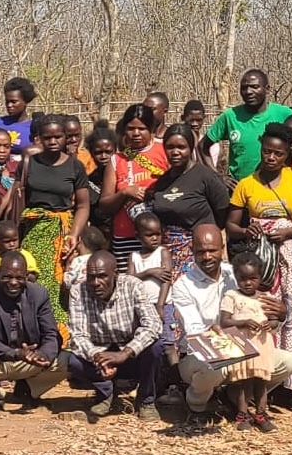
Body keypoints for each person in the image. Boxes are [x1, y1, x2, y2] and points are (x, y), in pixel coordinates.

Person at [226, 123, 292, 389]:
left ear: (286, 154)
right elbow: (231, 227)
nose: (271, 157)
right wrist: (247, 229)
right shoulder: (246, 184)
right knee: (263, 307)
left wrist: (289, 231)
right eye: (267, 151)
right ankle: (262, 375)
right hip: (261, 259)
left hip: (290, 255)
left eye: (277, 153)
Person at [168, 225, 292, 417]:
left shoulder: (237, 273)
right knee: (215, 365)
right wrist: (219, 330)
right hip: (201, 354)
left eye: (212, 250)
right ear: (192, 251)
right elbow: (195, 331)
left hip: (245, 347)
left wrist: (280, 315)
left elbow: (262, 312)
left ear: (222, 248)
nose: (207, 256)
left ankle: (237, 396)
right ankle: (196, 404)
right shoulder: (183, 285)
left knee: (287, 362)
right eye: (201, 251)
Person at [65, 250, 164, 421]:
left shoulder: (133, 285)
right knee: (74, 361)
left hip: (130, 353)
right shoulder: (78, 291)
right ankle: (105, 393)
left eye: (102, 276)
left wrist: (125, 353)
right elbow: (78, 335)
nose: (96, 283)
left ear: (115, 274)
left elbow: (153, 324)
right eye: (91, 277)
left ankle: (146, 400)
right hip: (101, 354)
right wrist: (97, 356)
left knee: (155, 348)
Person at [0, 253, 66, 411]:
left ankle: (28, 389)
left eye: (19, 278)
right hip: (0, 359)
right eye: (7, 277)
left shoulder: (39, 295)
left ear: (26, 277)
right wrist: (17, 353)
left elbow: (51, 334)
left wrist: (42, 355)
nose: (13, 282)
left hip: (30, 360)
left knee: (66, 361)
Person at [18, 115, 93, 323]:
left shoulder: (75, 166)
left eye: (58, 137)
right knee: (34, 281)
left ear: (65, 137)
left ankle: (63, 335)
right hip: (34, 232)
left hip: (64, 234)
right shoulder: (28, 163)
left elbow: (83, 205)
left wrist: (74, 235)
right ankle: (36, 332)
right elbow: (19, 199)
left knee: (63, 284)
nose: (53, 142)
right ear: (39, 138)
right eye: (47, 137)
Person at [144, 123, 232, 275]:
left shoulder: (206, 177)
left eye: (181, 147)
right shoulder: (162, 182)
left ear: (191, 148)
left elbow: (222, 213)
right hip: (166, 256)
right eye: (170, 147)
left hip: (198, 254)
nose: (175, 152)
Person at [218, 254, 284, 431]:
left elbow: (275, 320)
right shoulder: (231, 296)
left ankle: (261, 414)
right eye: (243, 279)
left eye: (253, 278)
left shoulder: (265, 297)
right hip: (240, 346)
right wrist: (243, 322)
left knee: (260, 381)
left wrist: (269, 323)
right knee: (242, 381)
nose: (248, 283)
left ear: (260, 277)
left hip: (262, 345)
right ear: (236, 278)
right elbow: (224, 321)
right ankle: (242, 415)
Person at [201, 69, 292, 181]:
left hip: (277, 186)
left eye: (254, 87)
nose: (248, 91)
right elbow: (202, 146)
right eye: (244, 88)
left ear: (267, 89)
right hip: (239, 188)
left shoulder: (284, 114)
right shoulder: (230, 116)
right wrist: (218, 176)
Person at [104, 105, 170, 265]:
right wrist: (125, 193)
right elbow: (105, 204)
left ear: (152, 129)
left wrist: (152, 193)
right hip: (125, 236)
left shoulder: (165, 151)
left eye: (142, 128)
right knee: (129, 283)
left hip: (159, 236)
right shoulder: (116, 160)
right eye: (131, 128)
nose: (136, 133)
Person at [0, 77, 39, 149]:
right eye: (7, 101)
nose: (9, 105)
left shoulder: (33, 128)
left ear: (25, 101)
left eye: (14, 102)